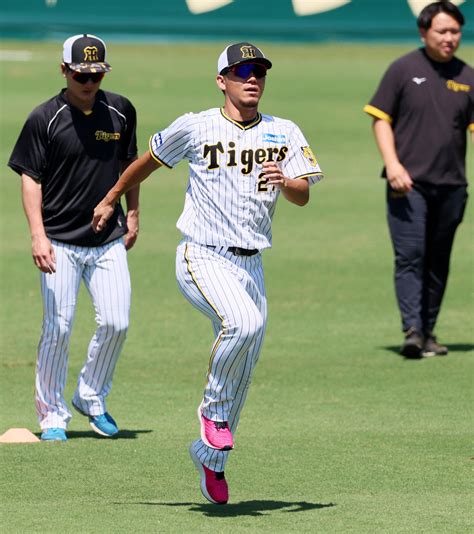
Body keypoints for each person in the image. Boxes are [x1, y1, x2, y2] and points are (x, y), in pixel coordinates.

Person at [92, 42, 323, 504]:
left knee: (244, 363)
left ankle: (210, 460)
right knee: (243, 324)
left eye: (258, 71)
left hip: (251, 263)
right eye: (241, 72)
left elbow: (303, 194)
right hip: (202, 254)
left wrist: (286, 181)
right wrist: (112, 195)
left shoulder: (284, 131)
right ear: (222, 80)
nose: (251, 79)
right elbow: (149, 161)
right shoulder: (196, 126)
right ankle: (211, 415)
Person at [8, 34, 140, 441]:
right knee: (58, 329)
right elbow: (31, 178)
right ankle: (51, 415)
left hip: (107, 239)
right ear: (64, 71)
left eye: (96, 74)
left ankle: (91, 396)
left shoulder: (120, 110)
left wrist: (133, 212)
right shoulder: (44, 118)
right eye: (82, 74)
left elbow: (130, 165)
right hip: (59, 241)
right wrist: (37, 235)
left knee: (117, 322)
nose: (89, 82)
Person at [363, 1, 473, 358]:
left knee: (438, 259)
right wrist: (392, 165)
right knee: (411, 255)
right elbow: (380, 119)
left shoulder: (468, 76)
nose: (449, 38)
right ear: (424, 32)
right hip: (407, 184)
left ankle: (428, 331)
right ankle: (412, 330)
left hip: (453, 185)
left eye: (455, 31)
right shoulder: (403, 70)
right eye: (442, 31)